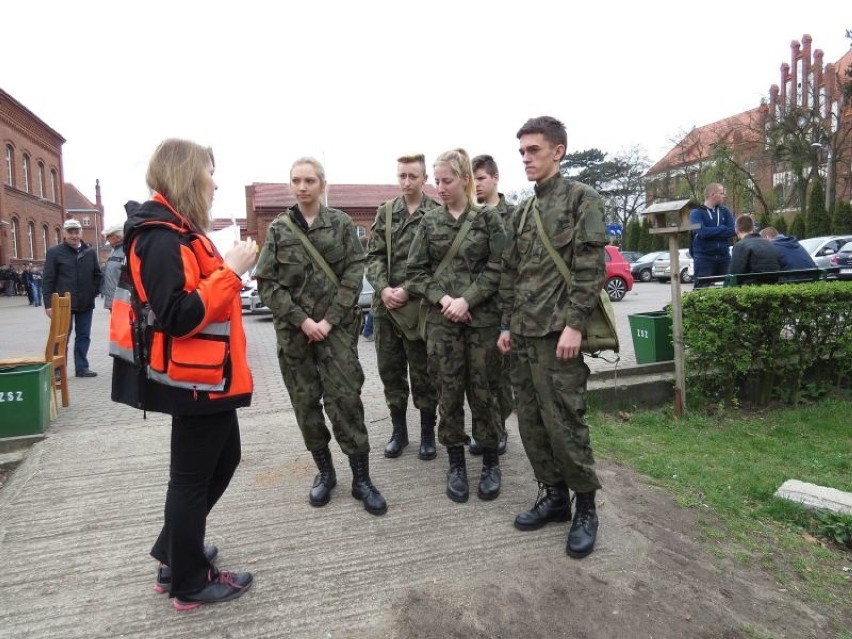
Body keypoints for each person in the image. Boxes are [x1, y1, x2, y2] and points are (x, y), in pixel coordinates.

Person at [111, 138, 256, 610]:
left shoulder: (177, 230)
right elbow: (176, 313)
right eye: (209, 171)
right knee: (192, 480)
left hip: (209, 378)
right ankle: (189, 582)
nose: (215, 182)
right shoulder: (159, 236)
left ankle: (176, 554)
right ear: (188, 175)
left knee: (222, 460)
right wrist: (231, 272)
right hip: (195, 381)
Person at [497, 116, 606, 558]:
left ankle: (585, 508)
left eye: (534, 150)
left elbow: (590, 267)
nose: (525, 158)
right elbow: (511, 273)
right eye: (521, 151)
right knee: (531, 422)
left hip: (559, 334)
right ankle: (554, 496)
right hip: (523, 335)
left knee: (565, 421)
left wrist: (575, 324)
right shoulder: (523, 211)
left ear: (557, 151)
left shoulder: (584, 199)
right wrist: (506, 325)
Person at [256, 156, 387, 516]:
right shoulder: (280, 229)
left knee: (346, 401)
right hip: (295, 336)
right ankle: (325, 474)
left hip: (336, 334)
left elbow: (352, 273)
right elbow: (267, 282)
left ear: (322, 184)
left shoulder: (341, 224)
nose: (302, 187)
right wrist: (302, 320)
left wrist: (327, 321)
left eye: (309, 180)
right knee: (306, 406)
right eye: (296, 180)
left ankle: (362, 479)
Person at [407, 148, 506, 503]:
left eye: (447, 180)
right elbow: (414, 272)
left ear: (465, 179)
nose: (440, 187)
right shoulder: (429, 223)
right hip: (443, 326)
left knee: (484, 392)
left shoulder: (489, 221)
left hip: (481, 323)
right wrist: (445, 299)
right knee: (448, 393)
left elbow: (499, 267)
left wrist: (469, 299)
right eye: (437, 181)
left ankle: (491, 461)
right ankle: (456, 464)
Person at [365, 154, 440, 461]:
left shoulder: (436, 213)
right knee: (390, 373)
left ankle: (427, 433)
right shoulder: (386, 213)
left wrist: (407, 290)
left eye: (412, 176)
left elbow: (440, 263)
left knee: (423, 373)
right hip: (385, 311)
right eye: (402, 176)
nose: (406, 182)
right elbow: (373, 256)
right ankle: (399, 432)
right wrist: (383, 289)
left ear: (424, 179)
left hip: (420, 309)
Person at [470, 153, 514, 457]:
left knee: (501, 377)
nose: (476, 186)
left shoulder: (514, 214)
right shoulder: (469, 216)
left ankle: (499, 427)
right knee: (478, 376)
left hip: (506, 307)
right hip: (476, 308)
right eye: (472, 181)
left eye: (481, 179)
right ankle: (485, 428)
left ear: (495, 178)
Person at [42, 218, 103, 377]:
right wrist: (48, 305)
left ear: (81, 233)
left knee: (84, 336)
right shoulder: (54, 253)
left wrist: (93, 292)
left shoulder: (89, 252)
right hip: (63, 304)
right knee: (60, 337)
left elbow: (97, 275)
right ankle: (57, 369)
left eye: (77, 232)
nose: (74, 236)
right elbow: (48, 280)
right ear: (64, 234)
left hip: (85, 303)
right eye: (70, 232)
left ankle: (82, 367)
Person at [689, 183, 735, 288]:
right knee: (701, 289)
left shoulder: (725, 211)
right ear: (712, 194)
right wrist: (722, 228)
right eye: (721, 193)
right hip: (704, 258)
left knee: (730, 288)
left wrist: (711, 232)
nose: (724, 196)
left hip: (724, 257)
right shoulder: (696, 213)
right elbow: (702, 232)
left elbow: (732, 231)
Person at [729, 214, 780, 280]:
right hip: (774, 286)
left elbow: (734, 275)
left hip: (752, 287)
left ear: (736, 230)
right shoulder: (769, 243)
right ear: (753, 229)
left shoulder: (740, 246)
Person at [101, 223, 125, 310]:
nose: (107, 239)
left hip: (123, 302)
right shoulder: (113, 251)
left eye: (109, 236)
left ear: (118, 237)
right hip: (114, 301)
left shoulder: (126, 251)